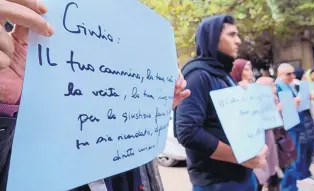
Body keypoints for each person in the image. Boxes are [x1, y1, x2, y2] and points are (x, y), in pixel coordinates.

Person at [0, 1, 190, 191]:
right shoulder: (19, 60)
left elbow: (122, 136)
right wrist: (7, 106)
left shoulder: (114, 79)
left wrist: (155, 105)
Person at [174, 15, 268, 191]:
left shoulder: (223, 75)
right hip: (217, 183)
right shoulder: (197, 75)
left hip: (242, 176)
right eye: (231, 35)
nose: (238, 41)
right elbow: (187, 131)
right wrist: (240, 157)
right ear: (212, 38)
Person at [275, 63, 302, 191]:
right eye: (288, 74)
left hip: (294, 125)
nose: (292, 76)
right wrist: (293, 102)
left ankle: (293, 187)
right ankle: (287, 188)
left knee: (294, 160)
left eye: (293, 73)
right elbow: (275, 109)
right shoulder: (276, 87)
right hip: (285, 129)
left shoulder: (289, 86)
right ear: (279, 75)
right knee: (288, 162)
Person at [292, 68, 314, 185]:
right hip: (302, 121)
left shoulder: (304, 86)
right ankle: (302, 175)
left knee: (309, 148)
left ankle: (307, 173)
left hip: (308, 119)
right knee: (303, 150)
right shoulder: (296, 87)